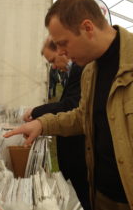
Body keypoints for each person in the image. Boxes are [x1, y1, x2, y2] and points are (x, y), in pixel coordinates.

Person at [5, 0, 133, 210]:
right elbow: (83, 117)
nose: (62, 52)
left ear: (88, 28)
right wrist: (43, 123)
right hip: (101, 197)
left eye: (63, 43)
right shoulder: (90, 71)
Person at [23, 37, 91, 210]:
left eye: (52, 60)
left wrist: (36, 113)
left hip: (79, 154)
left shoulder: (81, 69)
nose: (53, 67)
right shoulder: (75, 70)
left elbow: (71, 106)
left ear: (63, 51)